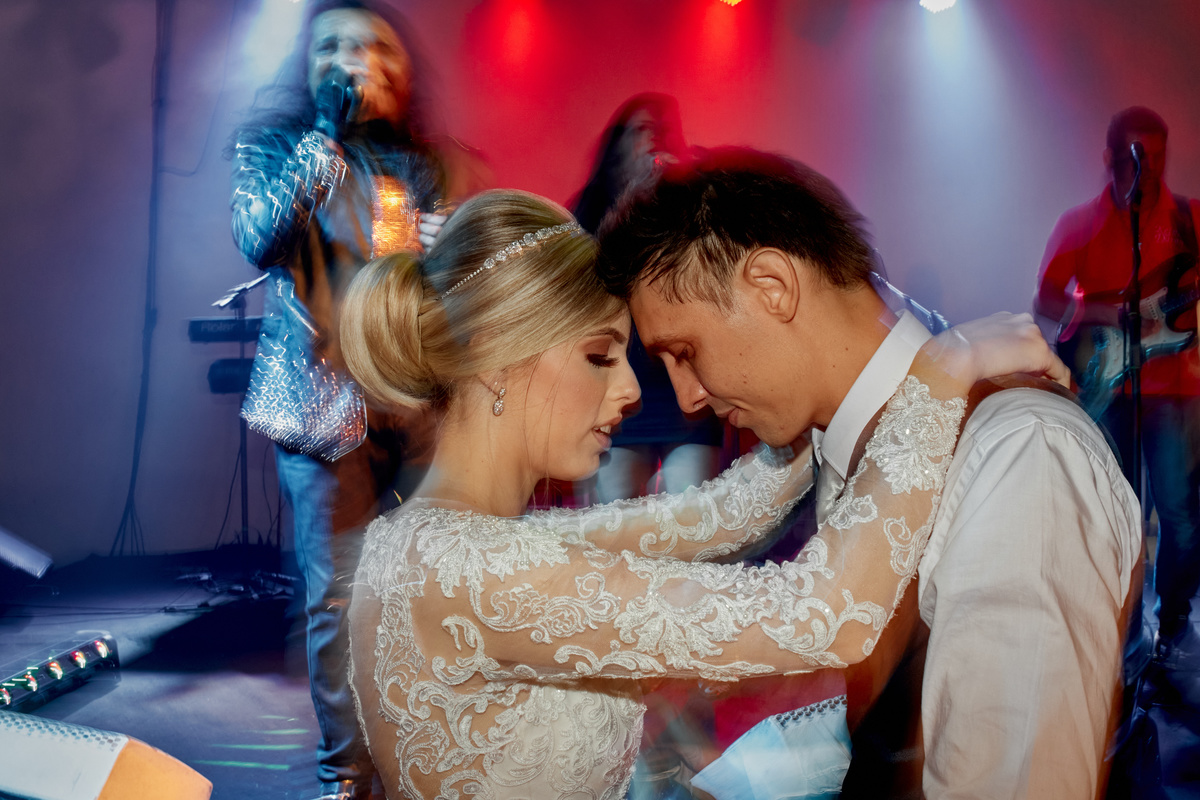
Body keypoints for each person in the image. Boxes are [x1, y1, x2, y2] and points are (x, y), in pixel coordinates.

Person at [337, 187, 1068, 799]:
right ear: (497, 358)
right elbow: (824, 617)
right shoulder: (463, 568)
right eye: (599, 355)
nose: (632, 390)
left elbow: (725, 515)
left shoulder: (452, 544)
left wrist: (814, 381)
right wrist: (941, 374)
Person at [596, 148, 1142, 797]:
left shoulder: (1016, 452)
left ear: (772, 287)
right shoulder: (834, 438)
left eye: (685, 352)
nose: (687, 398)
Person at [228, 2, 475, 797]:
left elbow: (441, 289)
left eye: (372, 46)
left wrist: (449, 258)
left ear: (403, 74)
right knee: (338, 597)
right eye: (331, 45)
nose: (351, 59)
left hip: (414, 402)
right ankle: (347, 775)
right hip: (321, 403)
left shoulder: (424, 166)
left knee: (419, 588)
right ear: (308, 68)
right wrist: (323, 142)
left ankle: (419, 755)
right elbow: (261, 237)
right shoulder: (276, 148)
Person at [1035, 107, 1200, 671]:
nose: (1148, 169)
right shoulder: (1081, 223)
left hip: (1173, 392)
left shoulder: (1189, 221)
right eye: (1136, 157)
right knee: (1117, 518)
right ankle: (1120, 636)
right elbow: (1046, 299)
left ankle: (1172, 625)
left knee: (1181, 519)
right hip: (1109, 391)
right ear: (1110, 158)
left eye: (1157, 157)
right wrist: (1110, 313)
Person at [571, 93, 723, 503]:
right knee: (615, 517)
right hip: (619, 397)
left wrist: (686, 194)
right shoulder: (588, 216)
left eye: (665, 129)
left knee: (695, 515)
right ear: (618, 146)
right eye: (643, 129)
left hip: (685, 396)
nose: (656, 137)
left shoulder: (690, 202)